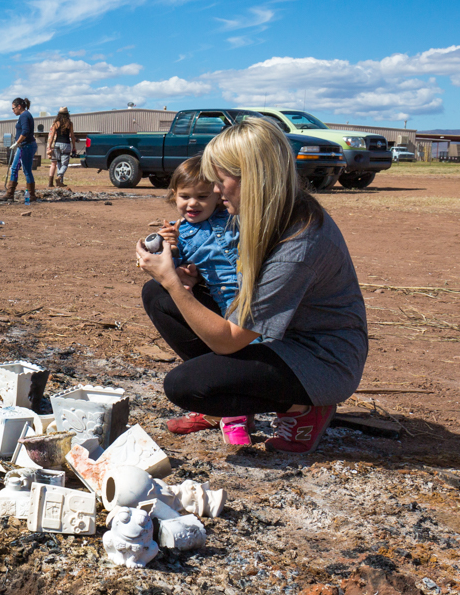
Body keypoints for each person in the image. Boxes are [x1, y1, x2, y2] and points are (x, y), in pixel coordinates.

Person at [136, 118, 367, 453]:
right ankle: (226, 406)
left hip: (319, 359)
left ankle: (302, 408)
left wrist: (172, 280)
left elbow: (230, 341)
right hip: (276, 335)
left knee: (187, 386)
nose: (214, 190)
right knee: (158, 297)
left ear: (253, 176)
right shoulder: (260, 211)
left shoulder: (298, 242)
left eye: (220, 179)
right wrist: (190, 277)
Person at [155, 155, 246, 445]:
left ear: (218, 198)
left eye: (202, 197)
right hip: (217, 302)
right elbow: (179, 270)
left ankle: (236, 418)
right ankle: (219, 408)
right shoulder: (179, 232)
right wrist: (168, 250)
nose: (192, 204)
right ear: (174, 196)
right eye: (185, 197)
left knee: (243, 353)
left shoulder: (232, 218)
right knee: (224, 353)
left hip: (246, 299)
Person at [5, 97, 36, 204]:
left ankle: (31, 195)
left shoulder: (24, 116)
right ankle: (10, 193)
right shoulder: (25, 115)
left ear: (19, 106)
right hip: (23, 146)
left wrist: (17, 142)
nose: (13, 111)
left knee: (26, 170)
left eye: (13, 108)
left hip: (26, 146)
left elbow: (25, 131)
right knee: (14, 168)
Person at [45, 106, 78, 188]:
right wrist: (74, 147)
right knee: (65, 164)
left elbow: (52, 136)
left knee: (58, 163)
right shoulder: (69, 124)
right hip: (66, 144)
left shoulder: (55, 123)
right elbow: (72, 136)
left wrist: (49, 146)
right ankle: (59, 176)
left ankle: (60, 182)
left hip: (57, 145)